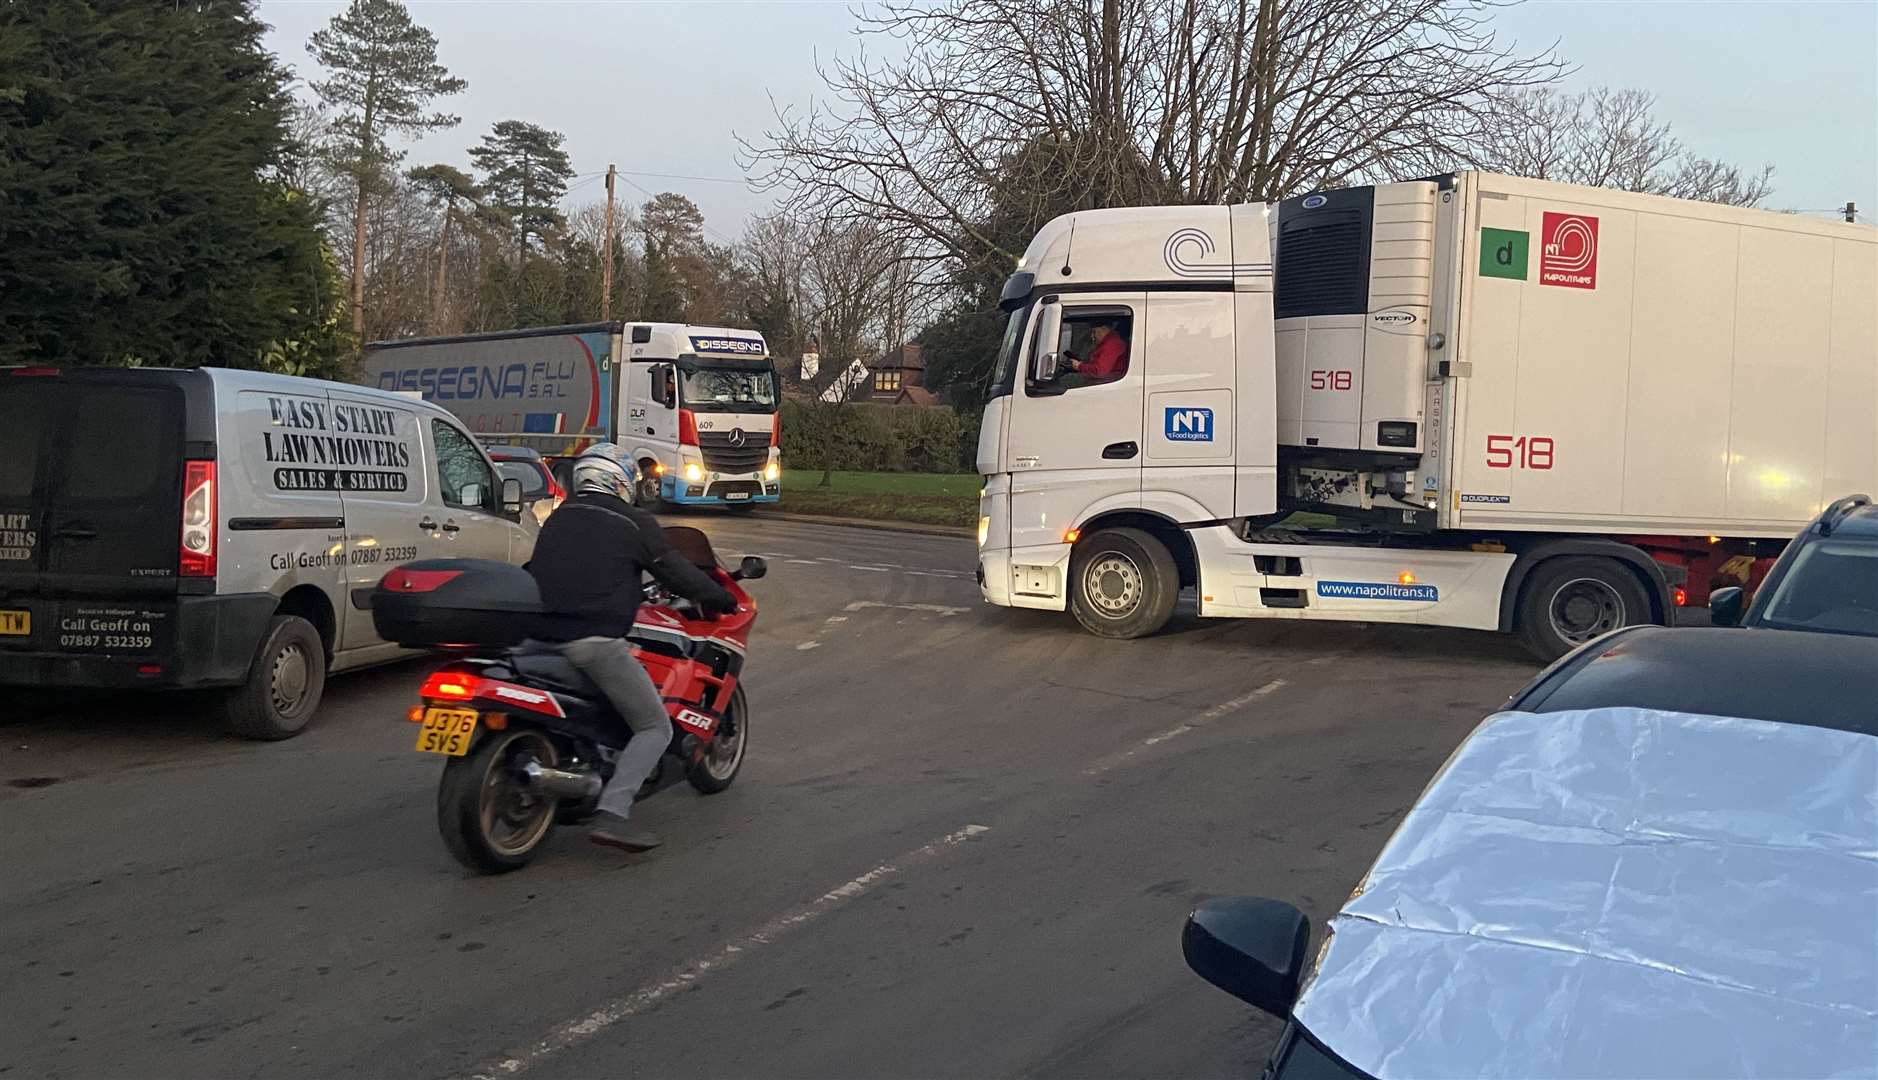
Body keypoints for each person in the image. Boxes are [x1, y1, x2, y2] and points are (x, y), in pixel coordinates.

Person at [526, 443, 736, 853]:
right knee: (654, 725)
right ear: (620, 480)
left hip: (540, 638)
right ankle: (614, 812)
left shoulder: (558, 518)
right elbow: (675, 572)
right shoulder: (632, 521)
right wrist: (719, 597)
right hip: (594, 642)